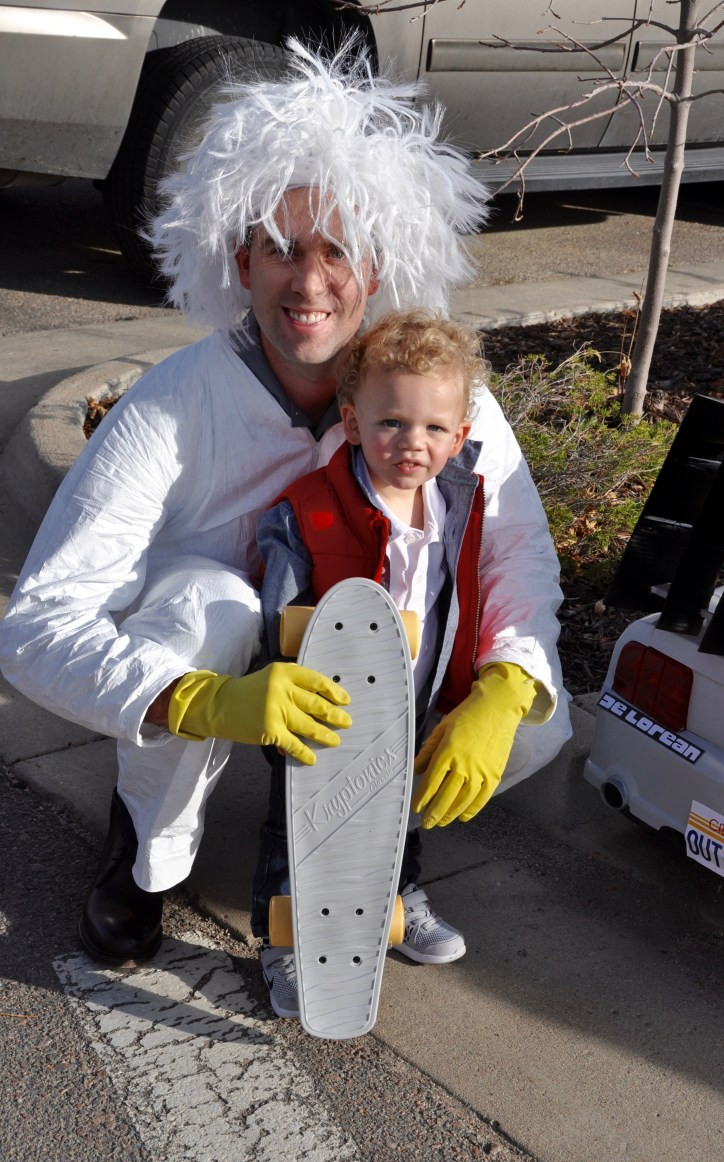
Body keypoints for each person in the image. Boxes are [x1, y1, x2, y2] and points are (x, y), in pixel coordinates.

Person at [0, 40, 570, 997]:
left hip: (377, 646)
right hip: (220, 650)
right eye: (282, 248)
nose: (310, 283)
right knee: (205, 611)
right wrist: (192, 700)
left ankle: (380, 850)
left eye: (339, 248)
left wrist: (506, 692)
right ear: (240, 259)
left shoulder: (433, 395)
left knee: (538, 719)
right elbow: (36, 625)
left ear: (380, 260)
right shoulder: (172, 403)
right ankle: (144, 854)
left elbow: (519, 558)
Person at [254, 309, 549, 1015]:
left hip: (414, 697)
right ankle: (284, 938)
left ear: (461, 437)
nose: (412, 444)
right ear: (352, 423)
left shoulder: (459, 506)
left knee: (401, 811)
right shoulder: (311, 510)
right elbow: (278, 613)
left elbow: (475, 589)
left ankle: (396, 894)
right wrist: (284, 676)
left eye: (434, 429)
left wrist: (484, 682)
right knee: (299, 823)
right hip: (322, 710)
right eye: (391, 424)